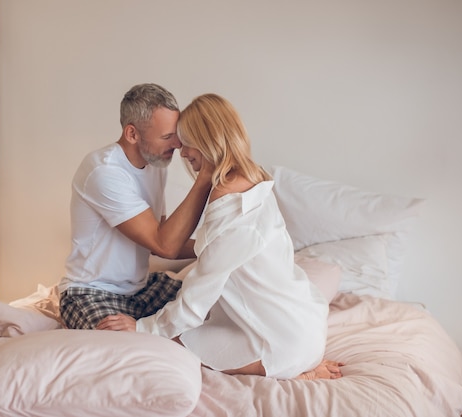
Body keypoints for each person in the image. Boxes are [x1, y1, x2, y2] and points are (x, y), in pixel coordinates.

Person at [97, 93, 342, 380]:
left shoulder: (230, 203)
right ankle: (298, 362)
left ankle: (298, 371)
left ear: (206, 141)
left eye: (186, 141)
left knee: (163, 345)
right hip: (302, 323)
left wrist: (141, 328)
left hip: (286, 340)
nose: (181, 151)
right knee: (190, 333)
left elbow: (197, 297)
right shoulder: (254, 178)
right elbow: (210, 255)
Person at [58, 83, 213, 330]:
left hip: (142, 290)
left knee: (216, 310)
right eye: (167, 137)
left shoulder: (156, 165)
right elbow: (164, 245)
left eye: (176, 134)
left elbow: (162, 239)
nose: (177, 144)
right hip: (91, 293)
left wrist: (218, 247)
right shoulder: (104, 171)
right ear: (132, 134)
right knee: (122, 347)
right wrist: (205, 178)